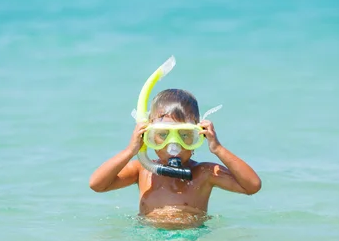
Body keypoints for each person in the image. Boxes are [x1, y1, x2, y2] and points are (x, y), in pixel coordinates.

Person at [89, 89, 261, 229]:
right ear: (148, 135)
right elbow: (97, 185)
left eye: (185, 135)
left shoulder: (204, 173)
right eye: (163, 135)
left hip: (189, 238)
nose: (174, 146)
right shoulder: (142, 170)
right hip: (149, 236)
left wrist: (218, 149)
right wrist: (130, 150)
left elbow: (252, 186)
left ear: (199, 135)